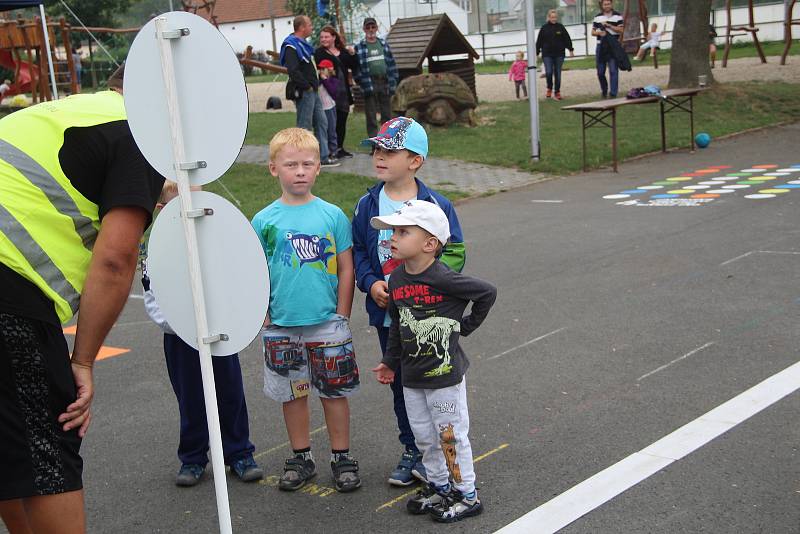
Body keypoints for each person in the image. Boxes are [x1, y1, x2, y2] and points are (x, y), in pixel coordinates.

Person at [0, 64, 165, 533]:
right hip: (9, 294)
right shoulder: (141, 132)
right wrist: (84, 361)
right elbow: (116, 259)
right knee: (51, 446)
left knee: (12, 452)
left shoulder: (75, 112)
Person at [352, 117, 466, 487]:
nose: (379, 156)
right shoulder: (368, 204)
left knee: (434, 385)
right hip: (389, 318)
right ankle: (413, 448)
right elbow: (359, 253)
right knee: (402, 386)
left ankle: (442, 451)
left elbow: (456, 253)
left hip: (426, 317)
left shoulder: (436, 204)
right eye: (377, 150)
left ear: (415, 160)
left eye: (390, 150)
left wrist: (424, 287)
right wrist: (371, 285)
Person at [371, 200, 497, 523]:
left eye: (402, 231)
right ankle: (440, 486)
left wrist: (463, 327)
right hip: (412, 378)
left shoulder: (444, 278)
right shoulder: (397, 280)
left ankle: (466, 493)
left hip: (444, 379)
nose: (393, 238)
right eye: (392, 232)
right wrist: (389, 361)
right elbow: (398, 325)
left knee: (449, 436)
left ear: (429, 244)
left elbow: (486, 293)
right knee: (424, 437)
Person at [251, 128, 361, 493]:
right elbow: (255, 270)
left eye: (307, 164)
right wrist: (262, 313)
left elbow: (347, 267)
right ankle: (301, 456)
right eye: (291, 164)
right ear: (273, 169)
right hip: (281, 326)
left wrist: (342, 313)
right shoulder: (264, 220)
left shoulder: (332, 216)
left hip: (328, 324)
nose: (299, 171)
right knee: (293, 394)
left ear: (318, 169)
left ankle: (341, 456)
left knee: (334, 393)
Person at [142, 182, 263, 488]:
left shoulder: (218, 242)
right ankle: (193, 457)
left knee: (230, 393)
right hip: (181, 339)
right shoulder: (157, 249)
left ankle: (239, 452)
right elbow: (154, 299)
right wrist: (183, 325)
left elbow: (234, 281)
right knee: (191, 398)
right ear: (162, 209)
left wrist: (232, 317)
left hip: (220, 332)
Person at [280, 15, 339, 167]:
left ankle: (323, 157)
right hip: (305, 91)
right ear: (302, 27)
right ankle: (300, 159)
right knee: (304, 126)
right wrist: (306, 86)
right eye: (310, 25)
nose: (312, 28)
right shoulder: (291, 46)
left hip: (314, 90)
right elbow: (293, 70)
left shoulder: (303, 44)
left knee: (322, 122)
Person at [314, 25, 358, 159]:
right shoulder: (319, 53)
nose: (323, 39)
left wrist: (352, 54)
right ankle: (329, 149)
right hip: (328, 91)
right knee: (329, 122)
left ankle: (340, 148)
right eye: (321, 37)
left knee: (342, 120)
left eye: (326, 36)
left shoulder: (342, 52)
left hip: (343, 92)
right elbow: (323, 71)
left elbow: (354, 64)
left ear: (334, 37)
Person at [355, 17, 399, 138]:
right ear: (364, 29)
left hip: (384, 82)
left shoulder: (383, 44)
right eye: (368, 27)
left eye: (373, 27)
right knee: (371, 115)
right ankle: (375, 144)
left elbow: (391, 63)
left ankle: (386, 141)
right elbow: (356, 68)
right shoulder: (359, 47)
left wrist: (394, 80)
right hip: (369, 83)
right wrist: (360, 82)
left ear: (376, 28)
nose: (370, 29)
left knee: (386, 114)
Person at [536, 9, 574, 100]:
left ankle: (557, 92)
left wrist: (570, 49)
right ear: (548, 17)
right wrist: (536, 52)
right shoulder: (544, 28)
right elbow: (539, 41)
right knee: (548, 72)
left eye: (555, 17)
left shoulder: (560, 27)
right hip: (547, 54)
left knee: (558, 73)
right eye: (552, 17)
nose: (554, 19)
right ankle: (549, 88)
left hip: (559, 54)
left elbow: (567, 39)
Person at [592, 0, 624, 98]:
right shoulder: (597, 17)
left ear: (611, 4)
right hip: (601, 45)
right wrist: (599, 33)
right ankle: (604, 89)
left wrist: (610, 26)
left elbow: (621, 30)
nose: (607, 6)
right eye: (605, 4)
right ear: (602, 5)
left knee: (613, 70)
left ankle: (613, 93)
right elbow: (592, 32)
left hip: (613, 45)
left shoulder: (618, 16)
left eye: (608, 4)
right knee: (600, 72)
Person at [317, 59, 341, 165]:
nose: (321, 71)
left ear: (330, 69)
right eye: (320, 68)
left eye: (323, 69)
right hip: (320, 109)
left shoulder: (333, 80)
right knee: (322, 132)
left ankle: (333, 152)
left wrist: (325, 80)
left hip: (330, 108)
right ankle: (323, 152)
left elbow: (333, 92)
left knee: (331, 131)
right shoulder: (319, 80)